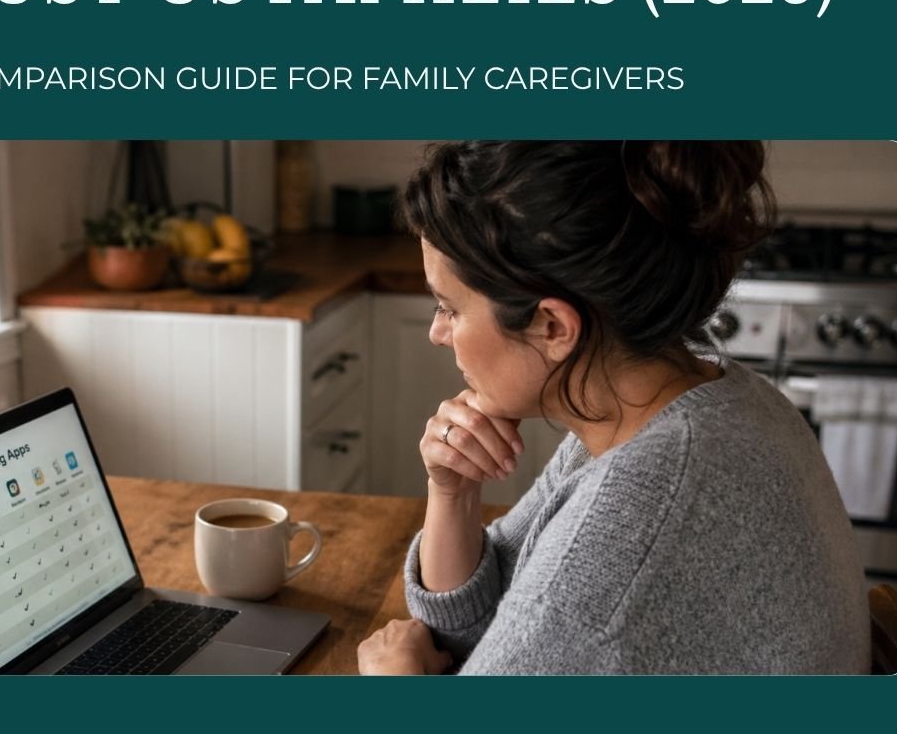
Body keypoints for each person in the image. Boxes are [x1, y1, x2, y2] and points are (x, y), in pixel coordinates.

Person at [356, 141, 869, 674]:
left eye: (449, 308)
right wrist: (453, 490)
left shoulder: (624, 545)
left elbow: (547, 627)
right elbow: (475, 628)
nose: (438, 333)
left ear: (553, 327)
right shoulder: (687, 403)